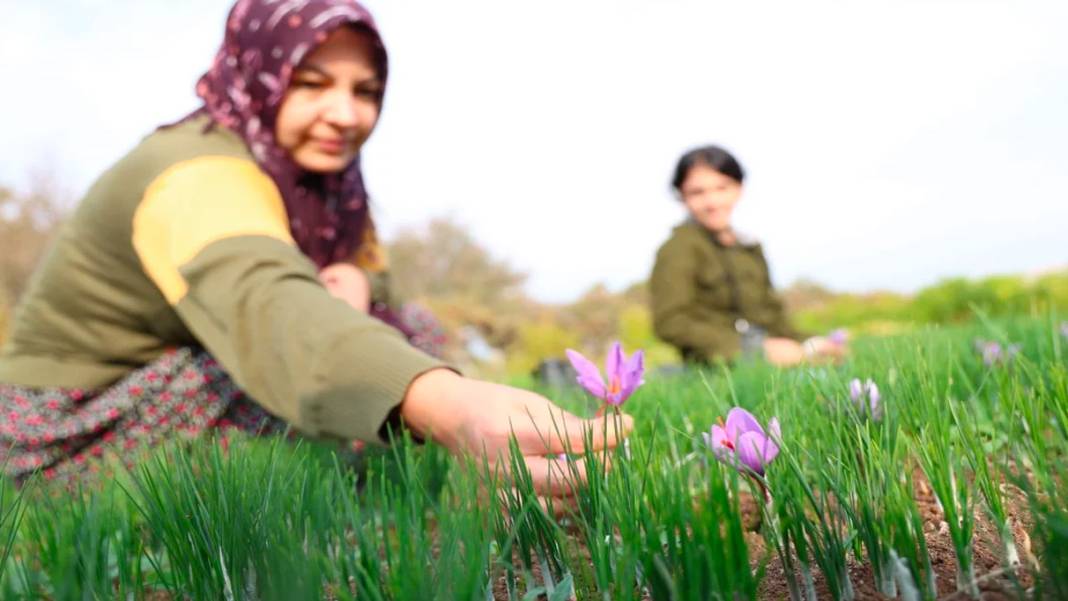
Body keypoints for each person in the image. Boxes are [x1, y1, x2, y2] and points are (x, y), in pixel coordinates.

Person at [0, 0, 631, 495]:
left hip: (177, 372)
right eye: (311, 82)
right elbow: (273, 312)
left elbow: (372, 282)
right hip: (65, 424)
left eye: (366, 91)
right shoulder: (192, 174)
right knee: (255, 380)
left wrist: (356, 283)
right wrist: (449, 407)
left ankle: (374, 470)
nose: (344, 114)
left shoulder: (325, 186)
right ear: (259, 74)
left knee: (413, 327)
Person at [650, 145, 843, 366]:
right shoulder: (678, 249)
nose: (712, 202)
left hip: (768, 362)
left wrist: (811, 343)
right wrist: (751, 350)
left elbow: (774, 318)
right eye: (697, 192)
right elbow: (670, 323)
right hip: (714, 367)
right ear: (682, 196)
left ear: (738, 189)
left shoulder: (749, 248)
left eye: (722, 188)